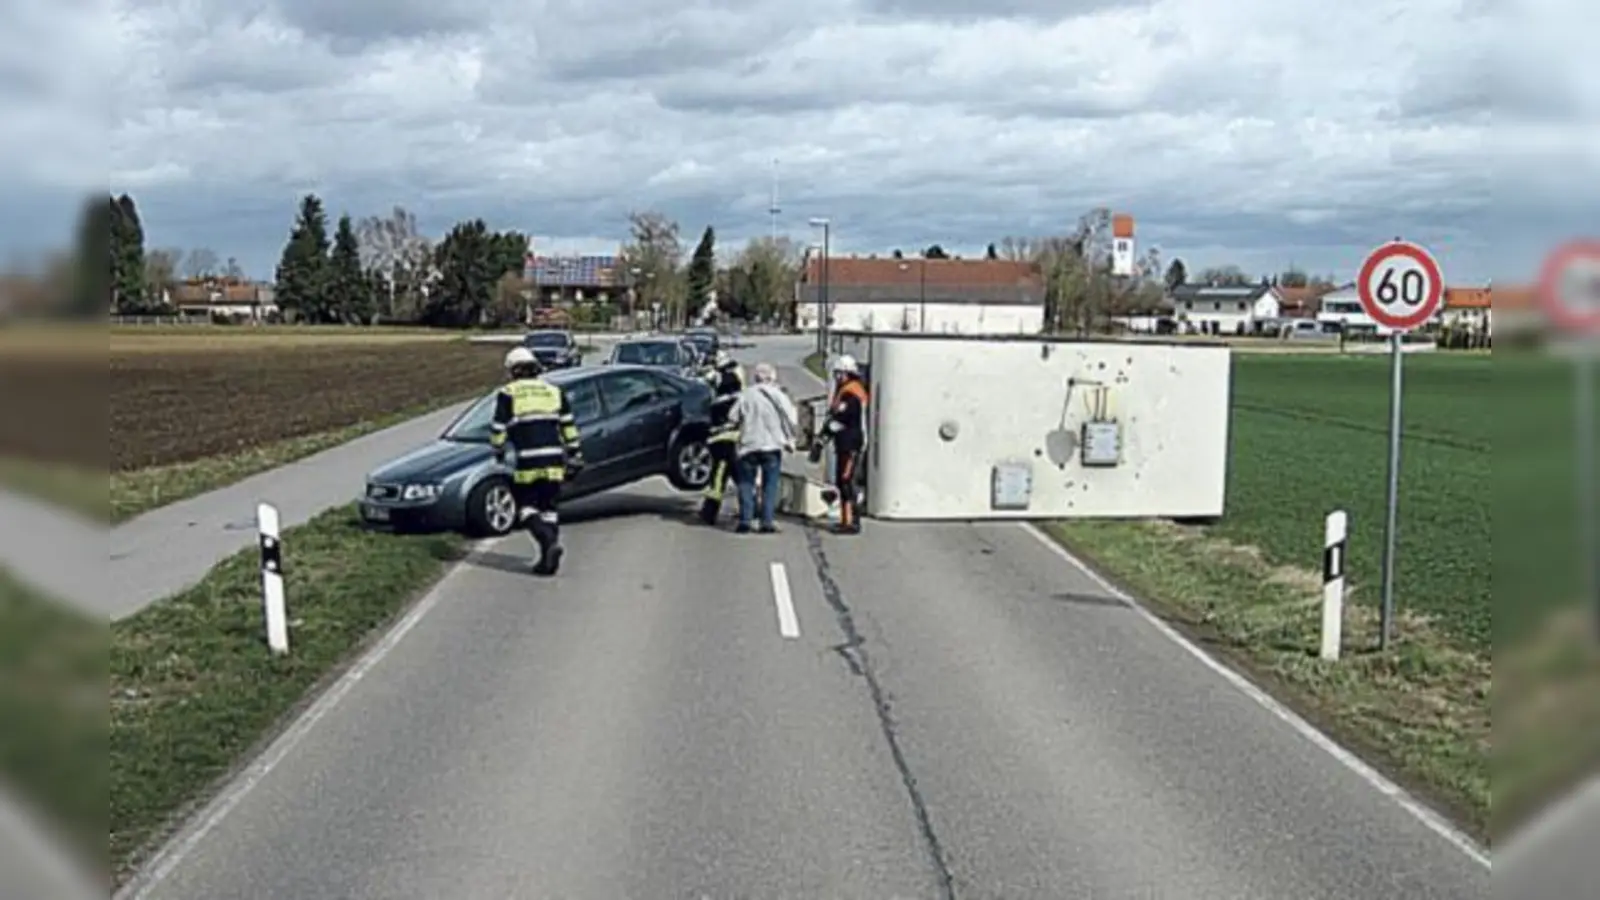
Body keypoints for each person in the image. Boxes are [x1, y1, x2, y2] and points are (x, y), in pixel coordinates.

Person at [489, 346, 584, 575]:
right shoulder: (553, 391)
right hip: (554, 458)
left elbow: (498, 428)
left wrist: (498, 448)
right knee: (549, 507)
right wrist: (574, 453)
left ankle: (547, 542)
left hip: (527, 459)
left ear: (513, 370)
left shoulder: (508, 393)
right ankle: (547, 561)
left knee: (525, 507)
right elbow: (568, 426)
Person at [726, 361, 798, 534]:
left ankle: (745, 520)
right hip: (772, 445)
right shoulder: (779, 396)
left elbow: (732, 416)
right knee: (770, 485)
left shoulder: (747, 395)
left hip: (749, 444)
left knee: (746, 483)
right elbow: (792, 418)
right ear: (772, 377)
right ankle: (767, 521)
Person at [824, 353, 870, 535]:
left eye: (839, 373)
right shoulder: (847, 390)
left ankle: (851, 521)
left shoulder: (851, 394)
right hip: (845, 442)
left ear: (847, 373)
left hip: (850, 443)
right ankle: (846, 519)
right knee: (842, 481)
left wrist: (826, 433)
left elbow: (843, 418)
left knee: (846, 481)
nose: (837, 377)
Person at [698, 350, 746, 525]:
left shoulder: (718, 401)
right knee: (740, 478)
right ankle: (750, 510)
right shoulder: (739, 397)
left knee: (718, 479)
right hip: (735, 441)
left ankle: (709, 513)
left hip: (722, 443)